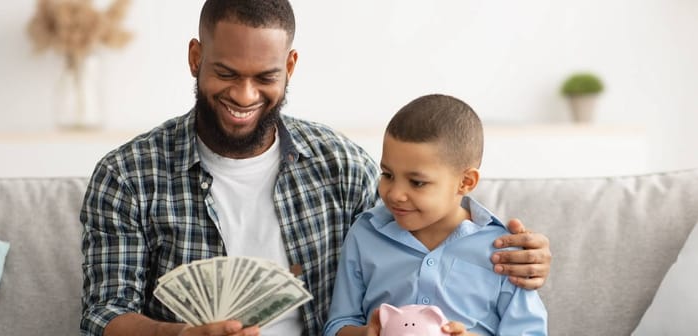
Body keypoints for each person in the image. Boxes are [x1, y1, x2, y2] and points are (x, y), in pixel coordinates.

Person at [80, 1, 552, 336]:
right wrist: (181, 335)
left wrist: (516, 254)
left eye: (265, 77)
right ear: (195, 58)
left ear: (290, 66)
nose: (245, 95)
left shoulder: (340, 165)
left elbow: (419, 230)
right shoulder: (127, 177)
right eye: (226, 73)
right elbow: (104, 316)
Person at [323, 94, 548, 336]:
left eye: (417, 182)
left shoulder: (504, 253)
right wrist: (367, 333)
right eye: (387, 175)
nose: (396, 194)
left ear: (465, 182)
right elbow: (338, 323)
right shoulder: (366, 233)